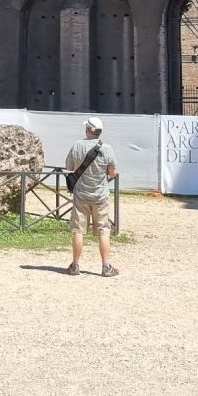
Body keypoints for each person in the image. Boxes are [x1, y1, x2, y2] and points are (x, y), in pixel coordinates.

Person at [64, 116, 118, 277]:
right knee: (103, 230)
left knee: (78, 230)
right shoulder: (107, 149)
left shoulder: (77, 146)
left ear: (88, 130)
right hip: (100, 196)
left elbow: (69, 167)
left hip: (81, 195)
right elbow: (113, 172)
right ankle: (106, 266)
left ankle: (75, 265)